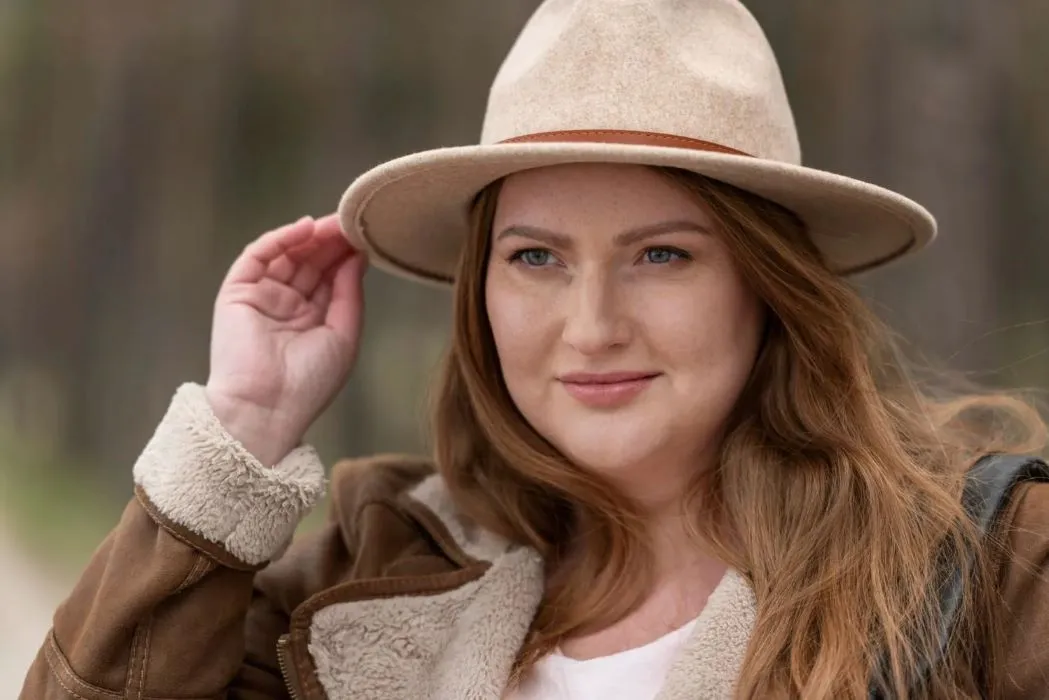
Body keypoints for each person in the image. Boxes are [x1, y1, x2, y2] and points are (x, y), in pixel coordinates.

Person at [20, 0, 1049, 698]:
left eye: (659, 253)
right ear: (481, 294)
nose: (591, 323)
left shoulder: (985, 568)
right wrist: (241, 430)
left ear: (764, 286)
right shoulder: (366, 575)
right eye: (535, 257)